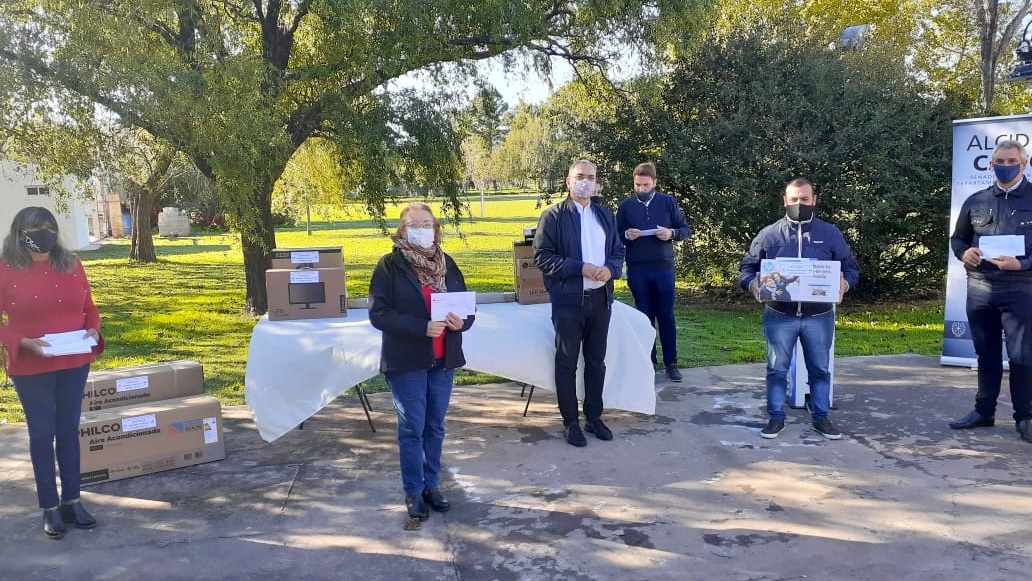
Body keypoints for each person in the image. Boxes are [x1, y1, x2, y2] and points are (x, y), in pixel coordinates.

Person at [0, 207, 104, 539]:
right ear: (20, 233)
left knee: (68, 430)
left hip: (73, 361)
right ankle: (49, 506)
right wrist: (21, 342)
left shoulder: (71, 264)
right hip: (32, 365)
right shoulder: (5, 269)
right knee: (42, 434)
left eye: (49, 227)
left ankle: (72, 501)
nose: (43, 234)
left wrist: (93, 328)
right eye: (35, 229)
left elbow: (89, 308)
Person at [368, 203, 475, 520]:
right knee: (412, 428)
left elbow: (467, 308)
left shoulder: (447, 263)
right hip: (407, 360)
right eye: (413, 224)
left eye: (426, 224)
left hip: (443, 360)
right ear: (402, 230)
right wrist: (421, 328)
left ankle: (432, 486)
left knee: (435, 426)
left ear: (436, 229)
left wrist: (462, 322)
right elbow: (379, 314)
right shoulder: (390, 266)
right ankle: (413, 491)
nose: (421, 229)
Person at [738, 179, 859, 440]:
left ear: (814, 200)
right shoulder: (769, 234)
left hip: (819, 315)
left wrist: (845, 284)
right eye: (793, 199)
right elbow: (747, 268)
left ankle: (821, 418)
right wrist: (753, 285)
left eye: (804, 199)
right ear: (785, 201)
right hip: (780, 314)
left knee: (820, 370)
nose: (799, 204)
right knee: (776, 369)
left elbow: (850, 267)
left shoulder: (830, 234)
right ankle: (775, 418)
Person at [534, 159, 625, 447]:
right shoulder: (553, 216)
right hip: (569, 302)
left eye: (591, 177)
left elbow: (618, 250)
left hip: (601, 300)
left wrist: (611, 269)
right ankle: (570, 421)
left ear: (597, 183)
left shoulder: (604, 215)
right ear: (569, 181)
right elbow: (542, 257)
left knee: (596, 362)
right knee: (567, 363)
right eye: (580, 177)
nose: (586, 182)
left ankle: (594, 417)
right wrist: (580, 268)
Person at [948, 139, 1032, 443]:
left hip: (1020, 290)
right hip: (980, 288)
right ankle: (984, 412)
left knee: (1022, 357)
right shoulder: (976, 200)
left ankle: (1025, 417)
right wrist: (964, 253)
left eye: (1011, 161)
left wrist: (1021, 264)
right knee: (986, 354)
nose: (1005, 166)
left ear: (1024, 164)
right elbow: (958, 239)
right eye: (1000, 161)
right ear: (991, 164)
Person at [616, 162, 691, 382]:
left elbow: (684, 229)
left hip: (663, 268)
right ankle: (649, 363)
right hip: (638, 268)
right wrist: (626, 235)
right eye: (637, 185)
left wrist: (671, 233)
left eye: (645, 185)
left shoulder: (667, 202)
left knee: (666, 315)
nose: (641, 189)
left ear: (655, 183)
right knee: (644, 317)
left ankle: (671, 363)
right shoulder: (626, 206)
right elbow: (615, 236)